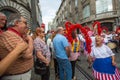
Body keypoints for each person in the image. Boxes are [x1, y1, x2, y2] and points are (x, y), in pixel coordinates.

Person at [0, 13, 33, 80]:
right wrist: (30, 40)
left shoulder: (16, 35)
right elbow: (28, 54)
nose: (26, 26)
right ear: (17, 23)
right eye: (25, 23)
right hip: (16, 76)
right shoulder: (9, 35)